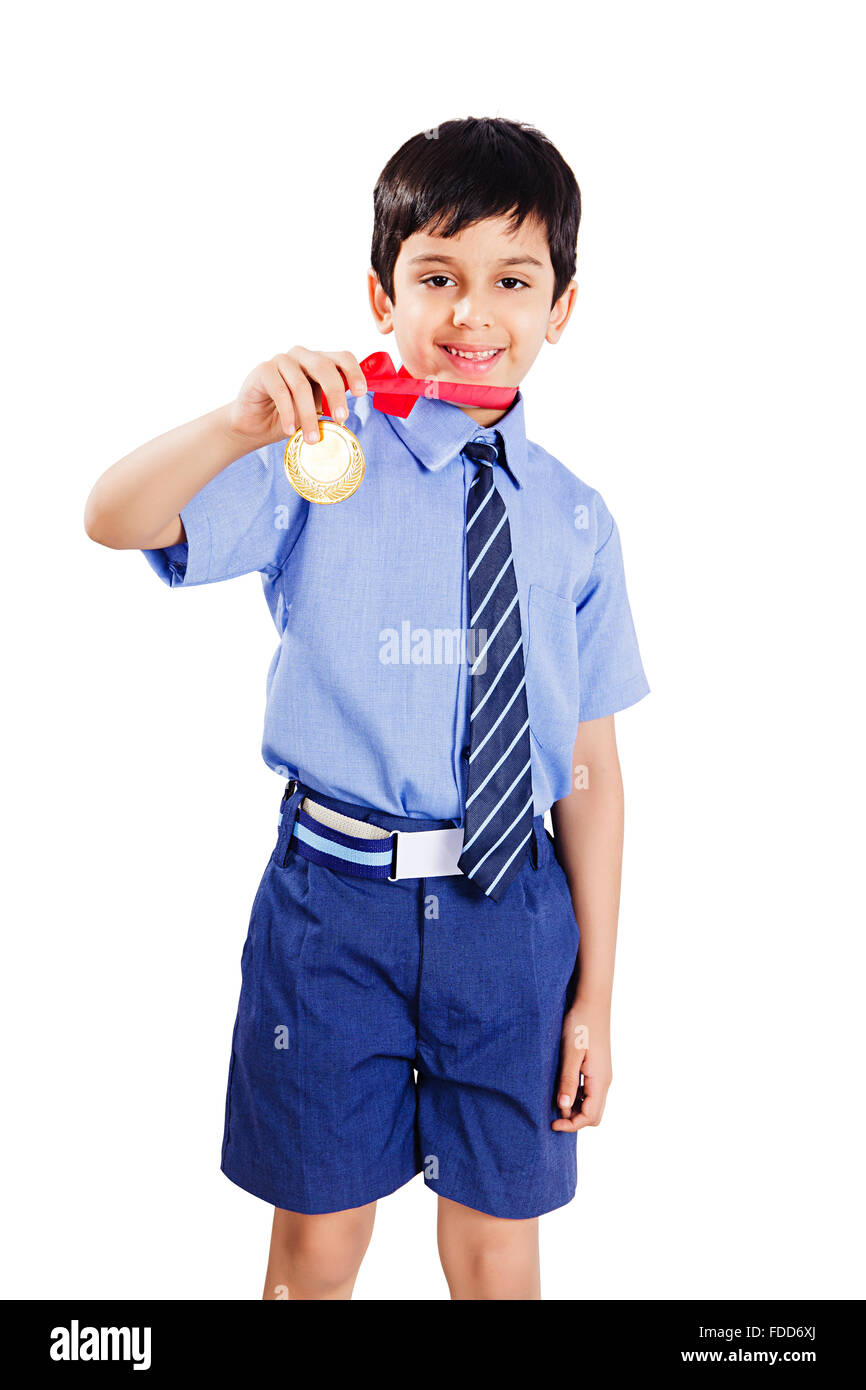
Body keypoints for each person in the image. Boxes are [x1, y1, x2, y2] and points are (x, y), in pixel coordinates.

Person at [84, 116, 650, 1301]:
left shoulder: (576, 516)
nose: (471, 313)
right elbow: (116, 516)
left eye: (512, 279)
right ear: (379, 294)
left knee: (498, 1253)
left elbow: (585, 766)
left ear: (564, 307)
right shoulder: (314, 457)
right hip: (330, 914)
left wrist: (592, 991)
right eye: (434, 276)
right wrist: (239, 422)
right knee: (316, 1246)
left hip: (515, 919)